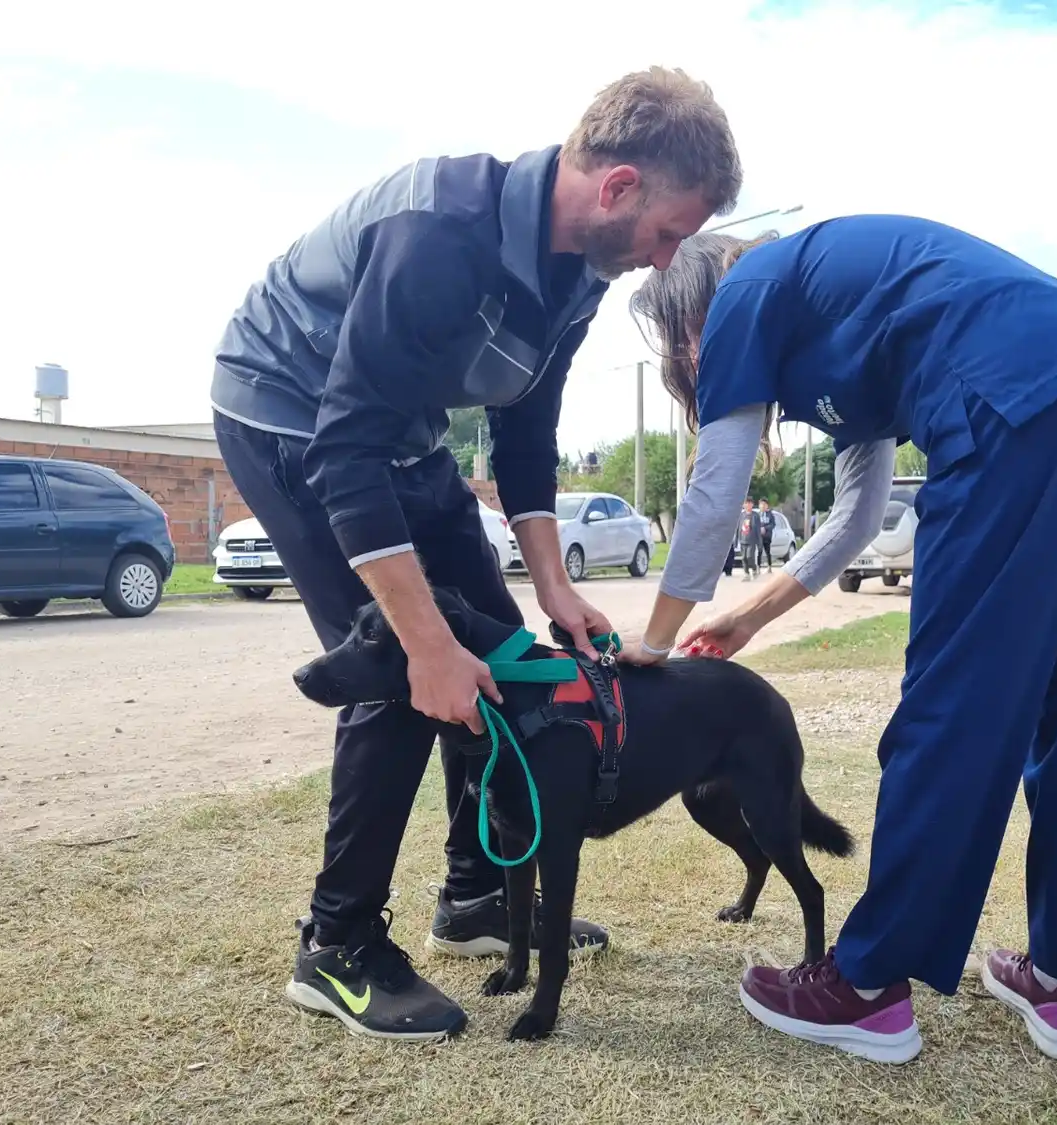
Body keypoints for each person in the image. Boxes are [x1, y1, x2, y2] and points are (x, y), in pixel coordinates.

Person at [210, 68, 741, 1041]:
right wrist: (422, 644)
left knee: (494, 649)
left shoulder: (582, 268)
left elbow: (525, 430)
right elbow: (344, 451)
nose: (669, 261)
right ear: (618, 187)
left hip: (403, 437)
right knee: (402, 671)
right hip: (289, 421)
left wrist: (553, 588)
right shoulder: (438, 236)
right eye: (672, 232)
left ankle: (476, 896)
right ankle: (337, 947)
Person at [620, 217, 1057, 1065]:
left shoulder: (743, 291)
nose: (696, 362)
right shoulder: (844, 311)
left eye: (684, 343)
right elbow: (856, 514)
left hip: (1013, 400)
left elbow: (714, 489)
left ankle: (868, 987)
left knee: (954, 707)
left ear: (693, 314)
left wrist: (652, 642)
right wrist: (750, 615)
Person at [736, 497, 762, 580]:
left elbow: (758, 529)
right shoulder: (741, 515)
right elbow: (738, 528)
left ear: (752, 504)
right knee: (743, 557)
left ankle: (754, 569)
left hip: (752, 540)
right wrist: (736, 540)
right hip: (743, 539)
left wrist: (759, 542)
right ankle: (746, 574)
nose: (747, 505)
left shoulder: (755, 515)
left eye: (749, 503)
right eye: (746, 503)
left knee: (749, 556)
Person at [757, 498, 776, 568]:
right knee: (759, 551)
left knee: (767, 551)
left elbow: (773, 524)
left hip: (767, 536)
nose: (763, 506)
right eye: (761, 504)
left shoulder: (770, 515)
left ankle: (769, 566)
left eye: (764, 504)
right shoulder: (757, 515)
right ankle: (758, 566)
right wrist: (759, 529)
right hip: (759, 536)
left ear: (767, 506)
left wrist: (765, 528)